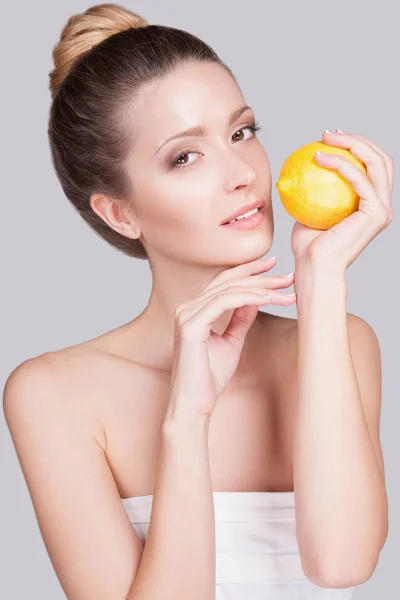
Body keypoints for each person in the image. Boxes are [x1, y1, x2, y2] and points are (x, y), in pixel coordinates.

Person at [4, 3, 393, 599]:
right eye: (185, 156)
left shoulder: (342, 340)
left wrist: (321, 280)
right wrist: (186, 421)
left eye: (242, 132)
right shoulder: (52, 393)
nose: (242, 172)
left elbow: (341, 565)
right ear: (120, 212)